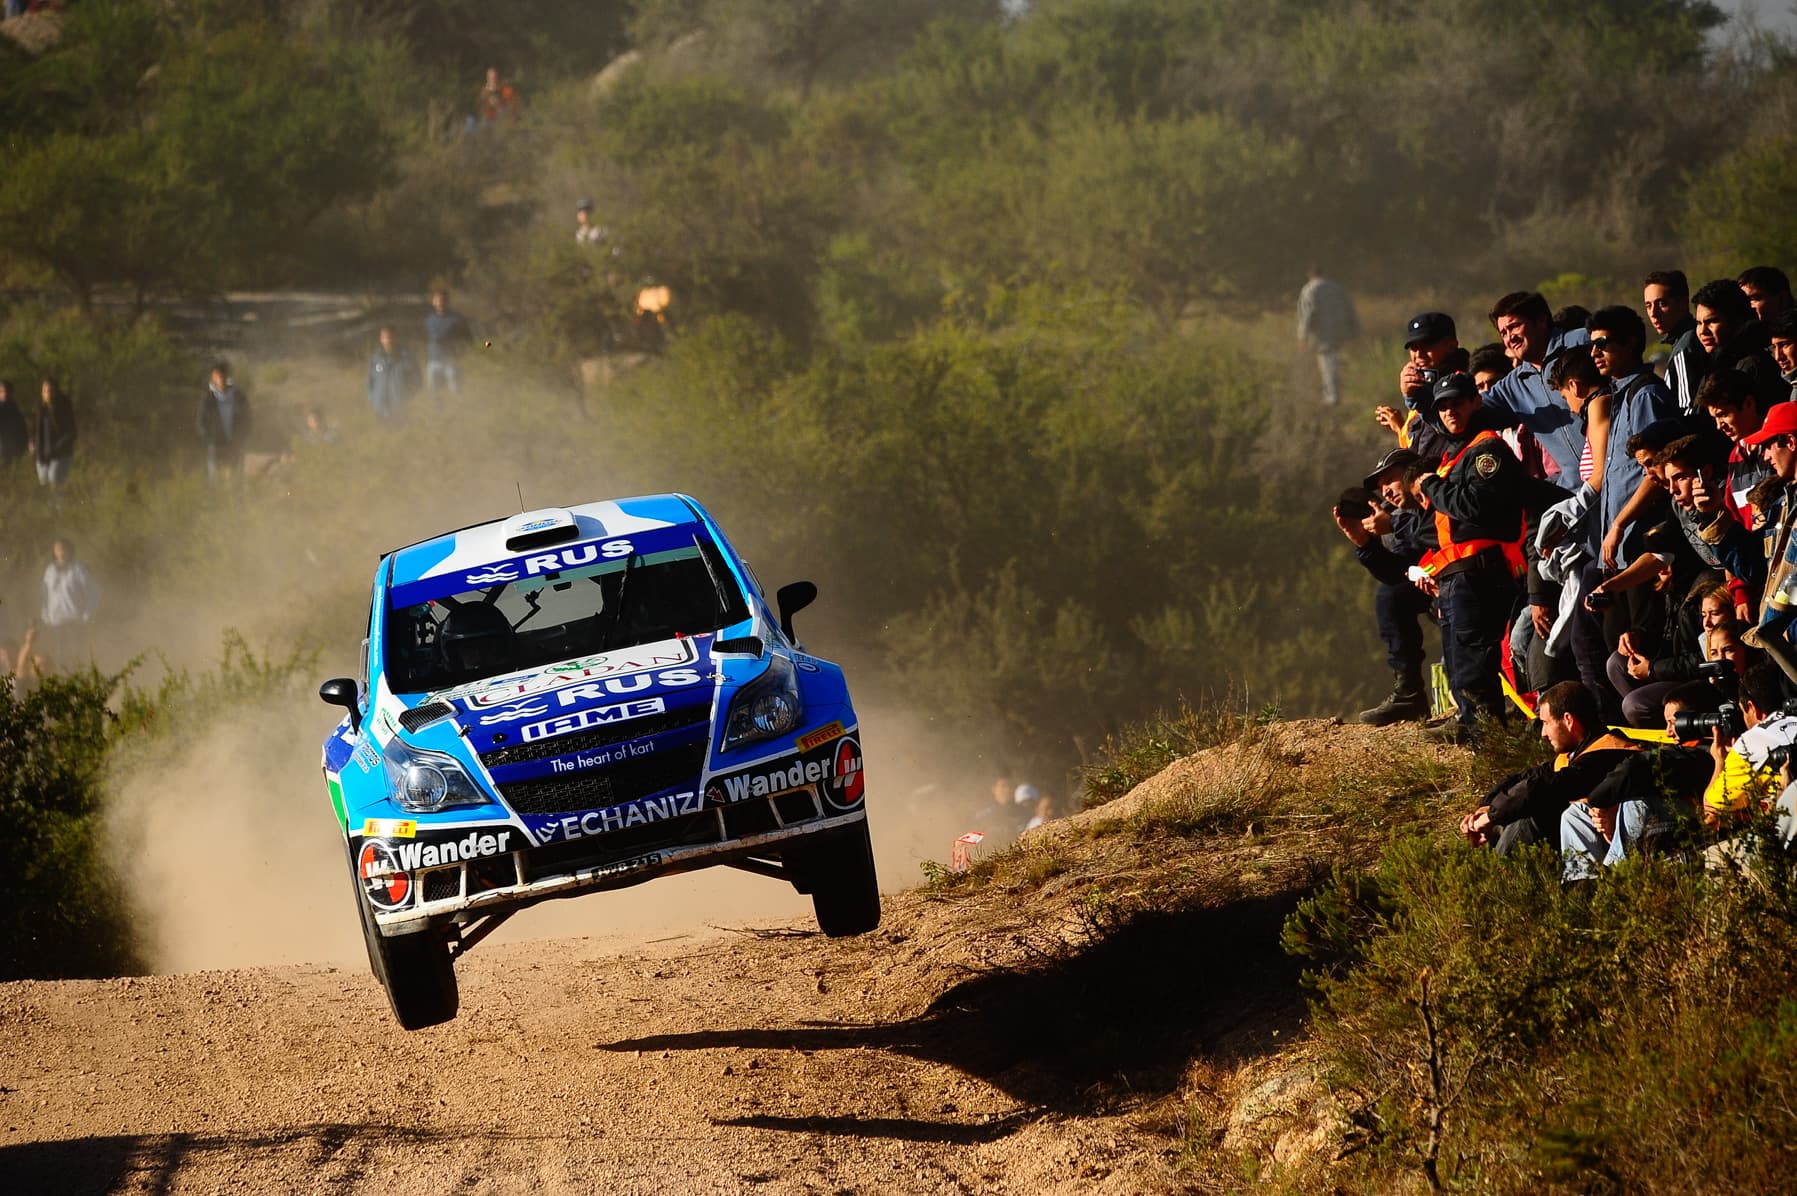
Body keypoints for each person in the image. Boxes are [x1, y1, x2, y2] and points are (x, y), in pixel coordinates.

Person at [1411, 372, 1527, 738]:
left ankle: (1489, 748)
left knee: (1475, 670)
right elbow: (1435, 527)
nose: (1450, 412)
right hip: (1454, 576)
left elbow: (1472, 506)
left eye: (1456, 403)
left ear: (1474, 402)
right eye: (1442, 406)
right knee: (1460, 670)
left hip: (1478, 575)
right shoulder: (1454, 455)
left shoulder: (1485, 450)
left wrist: (1430, 484)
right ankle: (1473, 733)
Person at [1561, 681, 1723, 879]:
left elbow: (1639, 767)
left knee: (1636, 799)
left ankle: (1613, 877)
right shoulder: (1685, 749)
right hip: (1660, 826)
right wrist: (1606, 813)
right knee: (1576, 813)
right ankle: (1582, 882)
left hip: (1690, 826)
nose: (1668, 732)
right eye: (1666, 723)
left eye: (1674, 722)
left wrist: (1601, 801)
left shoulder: (1704, 753)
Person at [1458, 681, 1640, 854]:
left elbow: (1538, 789)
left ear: (1568, 720)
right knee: (1513, 811)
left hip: (1614, 850)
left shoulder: (1612, 754)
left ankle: (1500, 880)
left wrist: (1491, 816)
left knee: (1532, 816)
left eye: (1546, 723)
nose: (1543, 733)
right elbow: (1522, 779)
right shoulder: (1574, 754)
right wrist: (1485, 810)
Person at [1336, 447, 1433, 724]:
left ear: (1414, 472)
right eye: (1380, 488)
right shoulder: (1400, 517)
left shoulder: (1438, 496)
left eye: (1390, 480)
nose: (1386, 493)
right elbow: (1398, 574)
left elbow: (1440, 530)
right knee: (1390, 597)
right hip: (1440, 588)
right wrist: (1364, 544)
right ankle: (1409, 694)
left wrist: (1394, 524)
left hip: (1480, 583)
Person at [1480, 290, 1589, 483]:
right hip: (1576, 495)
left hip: (1623, 482)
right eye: (1503, 333)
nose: (1509, 338)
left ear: (1541, 321)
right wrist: (1419, 396)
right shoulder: (1512, 386)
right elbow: (1465, 414)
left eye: (1514, 327)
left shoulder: (1583, 343)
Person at [1375, 311, 1465, 465]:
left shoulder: (1466, 383)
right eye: (1414, 348)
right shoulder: (1421, 388)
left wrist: (1413, 397)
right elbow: (1417, 451)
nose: (1419, 354)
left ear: (1451, 346)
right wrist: (1400, 429)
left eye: (1427, 346)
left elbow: (1454, 429)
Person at [1692, 278, 1785, 415]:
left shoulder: (1752, 365)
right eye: (1699, 323)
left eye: (1712, 321)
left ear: (1736, 321)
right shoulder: (1714, 362)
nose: (1703, 331)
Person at [1644, 269, 1708, 415]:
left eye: (1661, 303)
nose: (1653, 313)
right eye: (1648, 306)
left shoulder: (1685, 347)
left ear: (1683, 303)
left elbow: (1688, 410)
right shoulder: (1690, 339)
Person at [1296, 266, 1359, 405]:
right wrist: (1354, 331)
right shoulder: (1337, 288)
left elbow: (1307, 314)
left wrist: (1303, 335)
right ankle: (1337, 393)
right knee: (1334, 362)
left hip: (1322, 334)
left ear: (1309, 274)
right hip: (1340, 331)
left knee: (1327, 363)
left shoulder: (1310, 289)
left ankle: (1332, 396)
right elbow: (1350, 310)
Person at [40, 537, 98, 665]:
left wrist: (87, 613)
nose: (60, 552)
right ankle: (63, 681)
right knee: (60, 654)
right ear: (54, 552)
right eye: (57, 549)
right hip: (56, 620)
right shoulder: (50, 570)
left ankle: (77, 680)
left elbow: (93, 592)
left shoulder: (78, 569)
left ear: (70, 550)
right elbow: (45, 594)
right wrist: (45, 614)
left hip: (74, 620)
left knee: (75, 653)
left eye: (63, 549)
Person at [196, 362, 250, 484]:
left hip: (235, 443)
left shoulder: (238, 397)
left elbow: (248, 419)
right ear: (213, 378)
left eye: (222, 375)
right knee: (215, 482)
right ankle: (217, 502)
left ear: (227, 376)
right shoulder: (207, 399)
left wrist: (242, 437)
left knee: (236, 480)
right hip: (216, 446)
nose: (220, 379)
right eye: (217, 376)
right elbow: (201, 423)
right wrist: (211, 439)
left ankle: (236, 502)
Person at [424, 289, 472, 396]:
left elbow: (466, 337)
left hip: (451, 360)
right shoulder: (429, 320)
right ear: (433, 301)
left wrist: (461, 352)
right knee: (434, 392)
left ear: (447, 301)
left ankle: (459, 409)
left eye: (442, 300)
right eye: (437, 300)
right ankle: (439, 411)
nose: (440, 302)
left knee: (456, 390)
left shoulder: (456, 319)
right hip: (434, 360)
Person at [31, 378, 75, 492]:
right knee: (44, 485)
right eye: (45, 391)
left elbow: (71, 433)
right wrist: (32, 443)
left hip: (60, 455)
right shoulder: (41, 410)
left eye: (50, 390)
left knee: (54, 480)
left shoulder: (64, 409)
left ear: (56, 392)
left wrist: (56, 449)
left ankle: (58, 509)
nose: (47, 393)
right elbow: (34, 430)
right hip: (42, 455)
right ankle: (47, 509)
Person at [366, 327, 418, 419]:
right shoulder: (376, 358)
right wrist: (373, 399)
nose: (387, 340)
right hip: (380, 406)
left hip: (400, 406)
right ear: (381, 339)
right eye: (384, 338)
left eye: (390, 337)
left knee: (401, 431)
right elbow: (370, 381)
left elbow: (417, 380)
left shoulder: (406, 357)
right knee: (382, 432)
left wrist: (409, 397)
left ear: (396, 338)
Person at [0, 379, 27, 467]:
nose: (5, 394)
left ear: (11, 393)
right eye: (2, 391)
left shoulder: (15, 409)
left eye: (7, 391)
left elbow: (21, 428)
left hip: (10, 445)